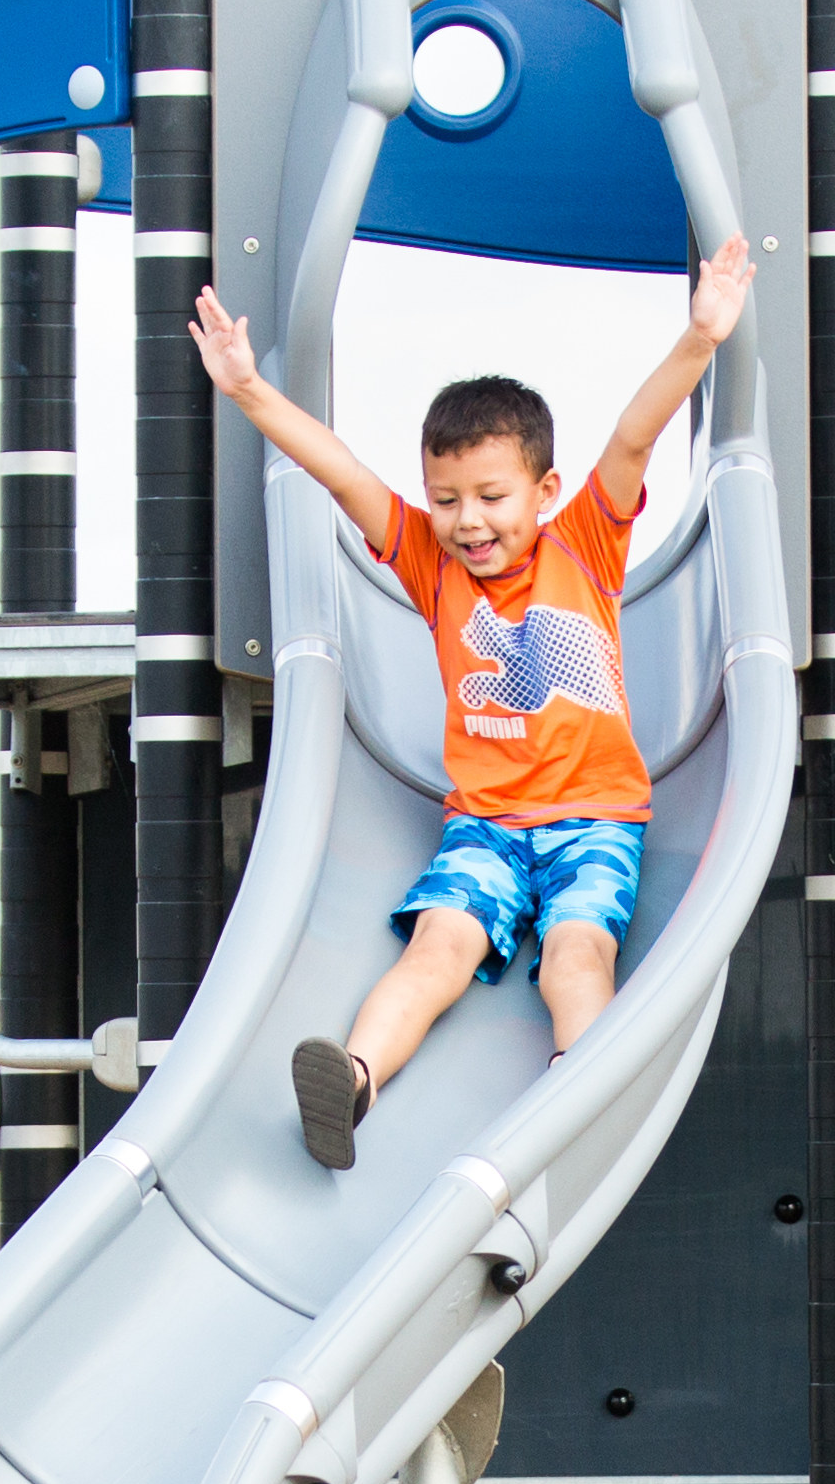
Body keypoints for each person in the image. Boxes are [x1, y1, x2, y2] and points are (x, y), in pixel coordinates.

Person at [186, 239, 758, 1167]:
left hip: (593, 820)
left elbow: (633, 437)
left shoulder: (583, 544)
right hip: (484, 827)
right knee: (436, 950)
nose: (470, 520)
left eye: (492, 495)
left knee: (577, 956)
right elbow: (341, 473)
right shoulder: (429, 560)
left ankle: (582, 1096)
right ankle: (354, 1082)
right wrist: (251, 391)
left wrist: (699, 338)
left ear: (545, 492)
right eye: (446, 498)